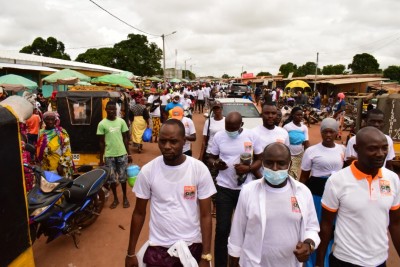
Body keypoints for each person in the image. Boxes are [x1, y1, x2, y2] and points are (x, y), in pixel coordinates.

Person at [125, 119, 216, 267]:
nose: (167, 146)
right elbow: (139, 213)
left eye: (173, 141)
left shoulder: (199, 170)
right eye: (163, 141)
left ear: (184, 141)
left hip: (192, 246)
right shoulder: (148, 171)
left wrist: (206, 256)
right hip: (158, 249)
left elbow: (206, 215)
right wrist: (130, 253)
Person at [317, 126, 400, 266]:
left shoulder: (392, 179)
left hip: (379, 261)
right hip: (345, 260)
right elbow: (326, 225)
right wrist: (319, 263)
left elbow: (395, 223)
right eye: (372, 148)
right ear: (356, 149)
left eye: (384, 148)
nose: (380, 154)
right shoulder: (337, 181)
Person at [228, 143, 320, 267]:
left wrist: (308, 244)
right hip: (253, 264)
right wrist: (233, 261)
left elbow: (311, 227)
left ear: (289, 164)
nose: (275, 168)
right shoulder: (248, 191)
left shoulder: (302, 192)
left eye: (281, 163)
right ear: (263, 163)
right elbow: (237, 233)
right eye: (269, 163)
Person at [208, 112, 263, 266]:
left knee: (246, 229)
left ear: (241, 125)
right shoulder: (219, 136)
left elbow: (261, 158)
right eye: (228, 127)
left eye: (233, 128)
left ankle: (241, 262)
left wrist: (249, 168)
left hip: (246, 190)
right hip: (224, 188)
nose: (230, 131)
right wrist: (216, 164)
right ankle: (220, 263)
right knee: (222, 229)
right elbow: (211, 157)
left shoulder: (252, 136)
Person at [299, 118, 345, 267]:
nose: (328, 135)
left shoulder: (342, 150)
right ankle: (311, 263)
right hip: (317, 195)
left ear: (337, 133)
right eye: (325, 131)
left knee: (332, 230)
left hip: (337, 196)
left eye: (332, 131)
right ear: (321, 132)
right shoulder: (311, 151)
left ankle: (326, 260)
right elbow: (304, 177)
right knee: (317, 229)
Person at [97, 100, 132, 209]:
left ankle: (125, 198)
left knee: (123, 178)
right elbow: (101, 142)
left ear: (116, 110)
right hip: (109, 155)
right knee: (112, 179)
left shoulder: (121, 122)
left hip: (122, 154)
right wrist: (101, 158)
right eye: (110, 109)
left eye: (114, 109)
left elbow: (125, 138)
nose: (112, 111)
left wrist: (129, 153)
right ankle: (116, 199)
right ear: (106, 109)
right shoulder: (102, 124)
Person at [198, 101, 226, 216]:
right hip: (211, 154)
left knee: (223, 180)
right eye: (214, 108)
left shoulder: (226, 121)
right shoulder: (208, 122)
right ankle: (214, 205)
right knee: (213, 180)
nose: (216, 110)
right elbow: (204, 140)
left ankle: (220, 203)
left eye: (218, 108)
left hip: (223, 154)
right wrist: (201, 156)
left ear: (222, 109)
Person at [36, 111, 74, 179]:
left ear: (55, 120)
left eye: (52, 119)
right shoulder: (41, 132)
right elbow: (38, 148)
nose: (50, 122)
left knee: (59, 187)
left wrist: (61, 165)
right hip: (45, 168)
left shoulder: (61, 133)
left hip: (58, 168)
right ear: (44, 120)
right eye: (48, 119)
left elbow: (67, 150)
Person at [283, 107, 310, 180]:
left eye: (301, 115)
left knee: (294, 171)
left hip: (299, 154)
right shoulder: (287, 127)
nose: (300, 117)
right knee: (289, 172)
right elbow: (283, 142)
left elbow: (306, 142)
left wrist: (308, 154)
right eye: (297, 115)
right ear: (292, 115)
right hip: (288, 154)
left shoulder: (304, 127)